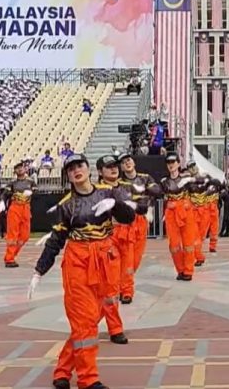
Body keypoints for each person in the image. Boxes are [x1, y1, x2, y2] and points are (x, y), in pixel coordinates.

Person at [27, 153, 137, 389]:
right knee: (84, 319)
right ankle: (88, 379)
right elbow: (56, 240)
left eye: (80, 166)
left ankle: (63, 370)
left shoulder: (108, 192)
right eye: (71, 169)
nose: (76, 170)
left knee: (88, 321)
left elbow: (129, 218)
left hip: (106, 260)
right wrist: (39, 271)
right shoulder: (67, 204)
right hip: (78, 262)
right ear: (68, 176)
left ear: (88, 168)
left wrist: (116, 205)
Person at [93, 155, 130, 345]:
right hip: (97, 243)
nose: (113, 169)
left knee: (112, 288)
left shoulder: (122, 189)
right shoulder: (94, 191)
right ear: (100, 171)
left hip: (119, 239)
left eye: (115, 166)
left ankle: (114, 328)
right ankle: (91, 323)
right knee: (95, 290)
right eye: (108, 167)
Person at [115, 152, 158, 304]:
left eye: (128, 160)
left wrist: (152, 193)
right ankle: (126, 291)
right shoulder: (119, 182)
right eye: (123, 162)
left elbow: (157, 191)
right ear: (120, 166)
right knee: (127, 257)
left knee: (136, 260)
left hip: (141, 221)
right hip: (126, 222)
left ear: (133, 161)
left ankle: (122, 284)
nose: (127, 163)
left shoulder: (145, 178)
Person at [155, 154, 197, 280]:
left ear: (178, 163)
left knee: (188, 243)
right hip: (171, 212)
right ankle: (180, 269)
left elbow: (201, 185)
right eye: (168, 162)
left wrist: (191, 180)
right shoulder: (164, 181)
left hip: (185, 211)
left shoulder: (187, 178)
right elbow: (157, 193)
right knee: (173, 245)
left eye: (173, 162)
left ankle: (188, 271)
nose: (171, 164)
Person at [2, 160, 36, 268]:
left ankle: (12, 254)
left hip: (26, 207)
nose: (20, 169)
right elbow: (5, 194)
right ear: (15, 171)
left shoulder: (30, 181)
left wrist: (31, 192)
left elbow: (36, 190)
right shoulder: (12, 183)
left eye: (21, 167)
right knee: (13, 235)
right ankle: (9, 258)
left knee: (25, 235)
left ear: (25, 169)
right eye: (17, 168)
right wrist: (3, 203)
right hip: (15, 207)